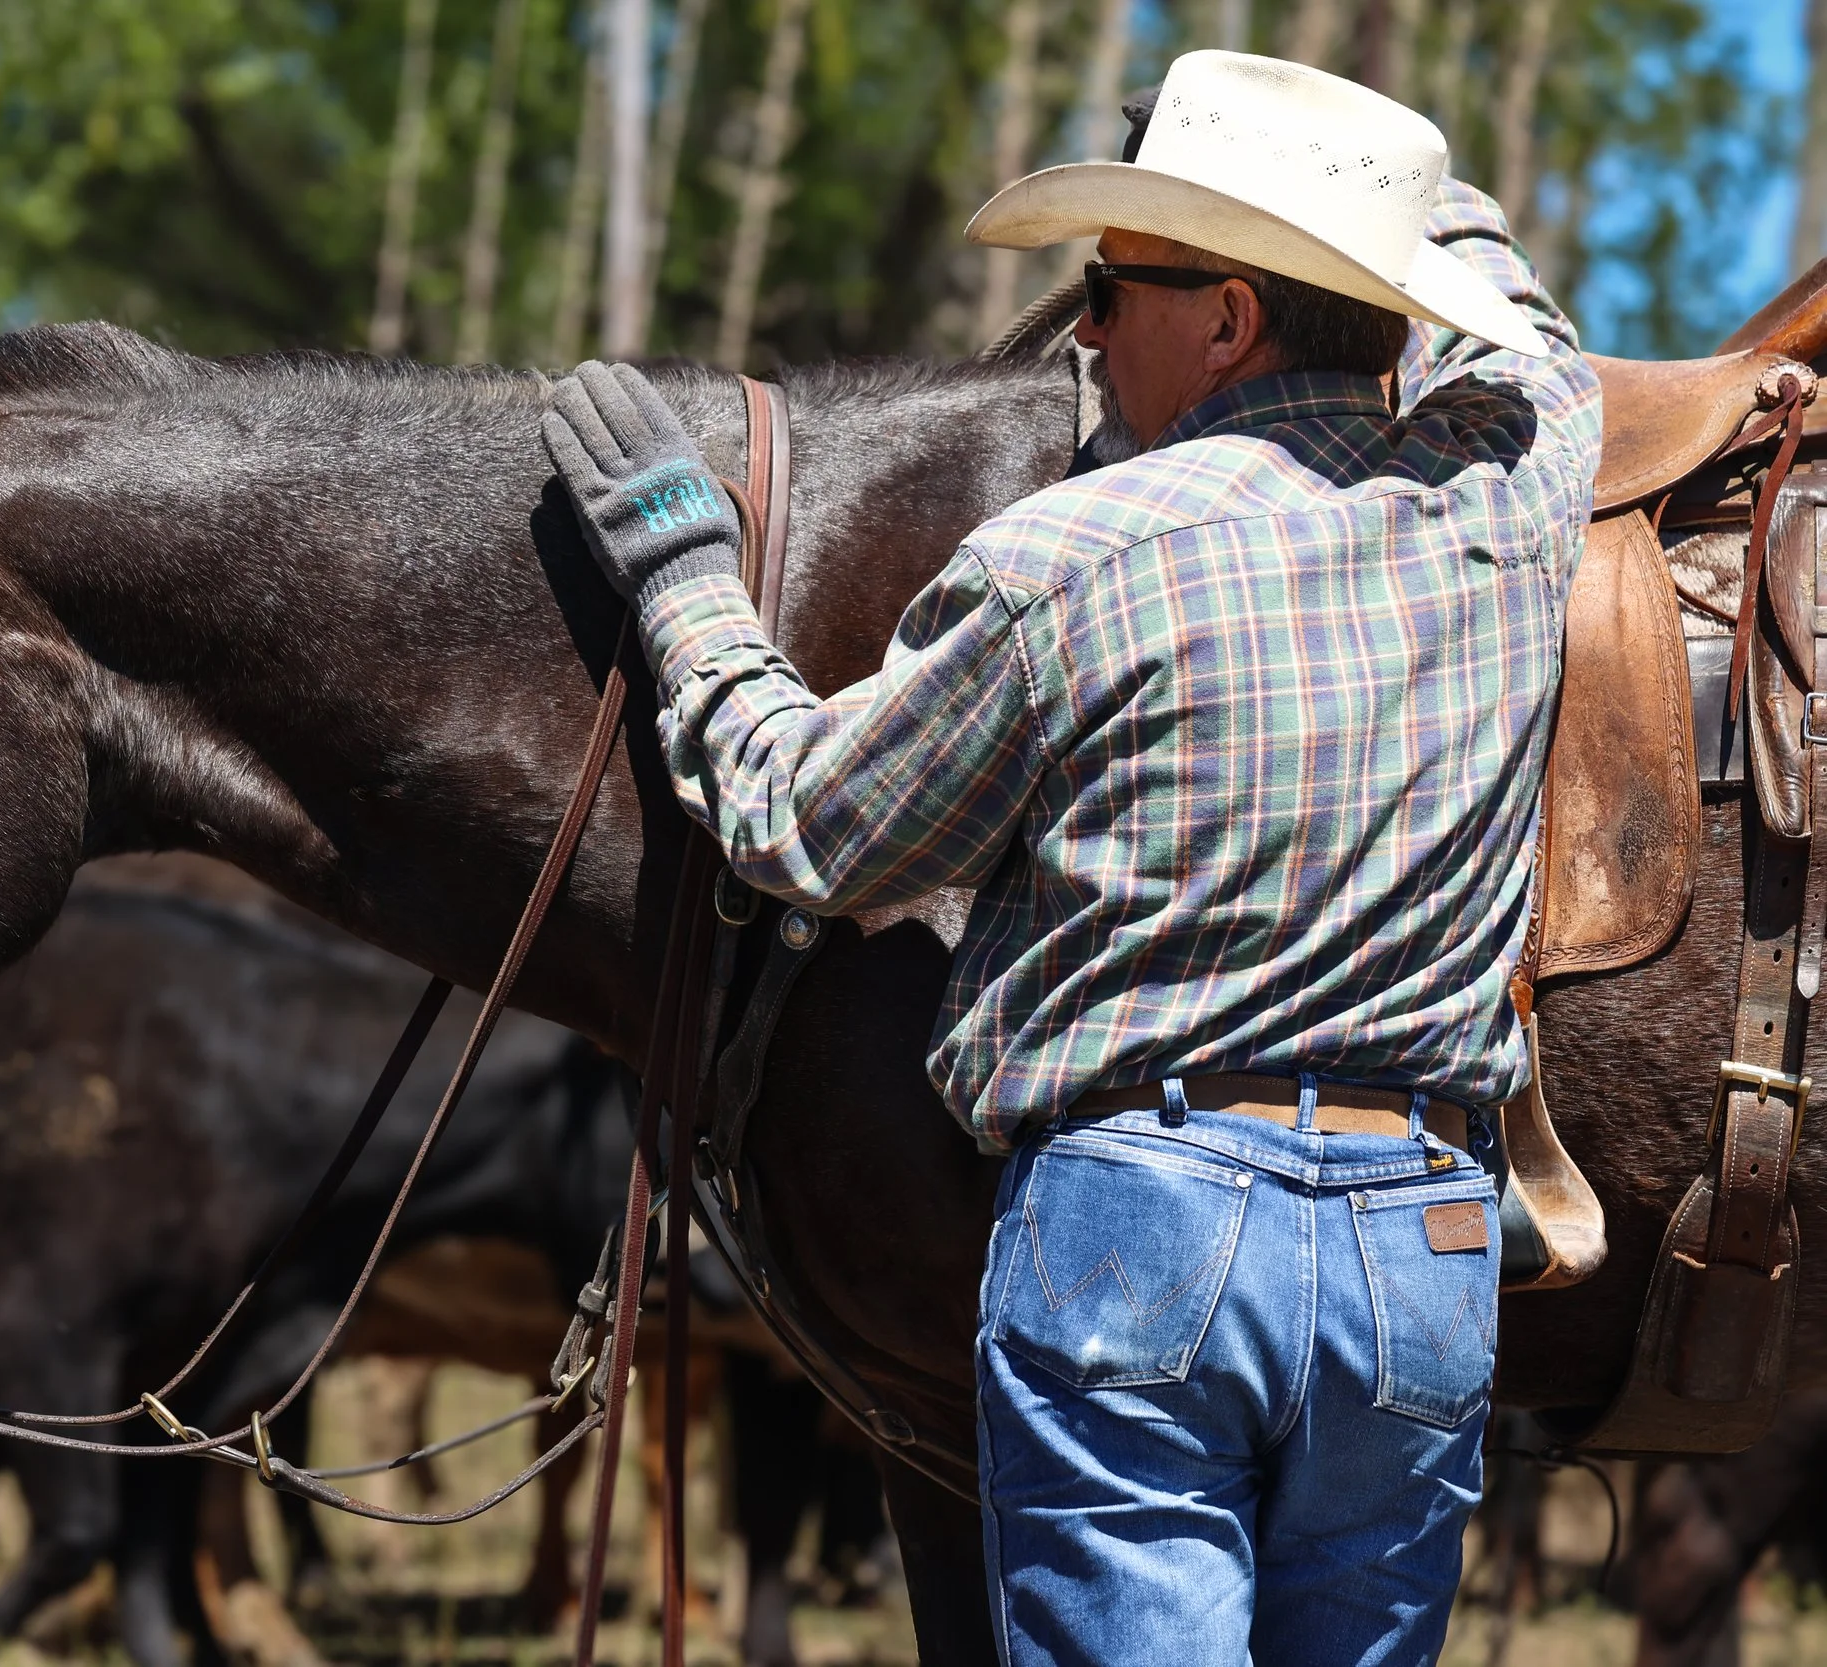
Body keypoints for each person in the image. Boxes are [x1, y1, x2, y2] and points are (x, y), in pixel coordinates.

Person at [540, 49, 1599, 1667]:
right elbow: (1521, 317)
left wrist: (687, 582)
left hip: (1145, 1221)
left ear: (1231, 317)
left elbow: (809, 822)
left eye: (1117, 283)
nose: (1086, 327)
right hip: (1428, 1241)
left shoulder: (1069, 558)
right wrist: (1395, 198)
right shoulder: (1514, 489)